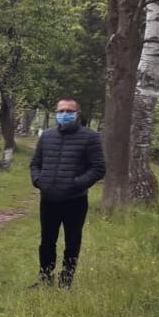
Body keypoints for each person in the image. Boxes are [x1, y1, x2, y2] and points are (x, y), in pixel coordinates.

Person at [29, 98, 105, 288]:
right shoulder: (46, 136)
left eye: (68, 111)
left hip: (75, 200)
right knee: (47, 241)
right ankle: (45, 278)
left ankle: (66, 280)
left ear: (77, 114)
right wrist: (39, 181)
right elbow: (35, 164)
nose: (64, 114)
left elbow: (98, 168)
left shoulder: (90, 137)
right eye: (61, 111)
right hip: (48, 199)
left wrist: (77, 184)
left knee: (72, 242)